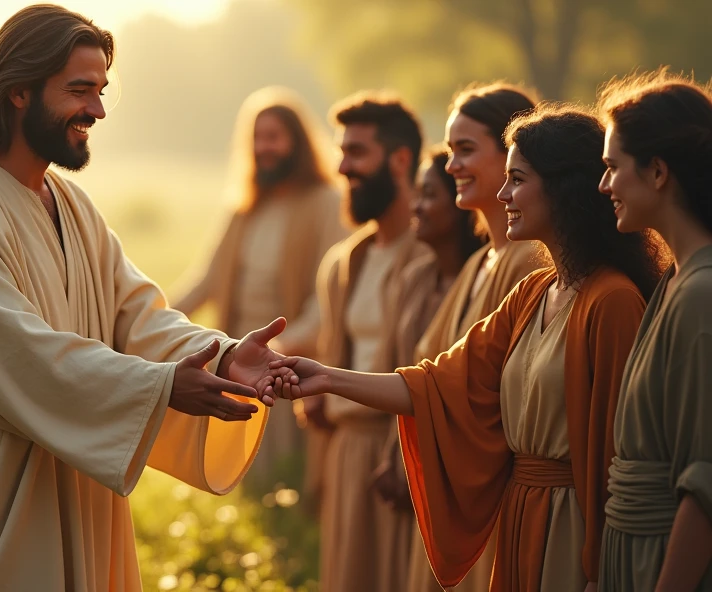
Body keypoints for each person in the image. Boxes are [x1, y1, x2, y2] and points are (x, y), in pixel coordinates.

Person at [0, 6, 285, 591]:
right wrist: (163, 386)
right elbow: (13, 352)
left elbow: (137, 315)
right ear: (18, 91)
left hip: (76, 485)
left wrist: (221, 356)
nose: (96, 110)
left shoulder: (70, 205)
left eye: (100, 91)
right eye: (79, 90)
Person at [264, 105, 668, 592]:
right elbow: (436, 384)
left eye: (517, 179)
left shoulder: (613, 301)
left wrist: (600, 567)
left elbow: (615, 455)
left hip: (573, 526)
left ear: (562, 187)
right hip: (520, 520)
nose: (503, 194)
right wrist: (326, 376)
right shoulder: (534, 292)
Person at [403, 82, 547, 592]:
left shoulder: (526, 261)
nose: (451, 166)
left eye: (465, 150)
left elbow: (493, 394)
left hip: (485, 497)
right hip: (455, 489)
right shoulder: (480, 262)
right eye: (450, 151)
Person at [171, 86, 344, 486]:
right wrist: (147, 321)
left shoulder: (325, 203)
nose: (263, 147)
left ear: (296, 142)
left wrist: (278, 350)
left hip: (289, 365)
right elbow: (206, 281)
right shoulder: (243, 208)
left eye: (274, 137)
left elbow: (328, 300)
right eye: (257, 137)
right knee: (244, 481)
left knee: (289, 481)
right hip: (241, 360)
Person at [306, 91, 430, 592]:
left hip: (402, 454)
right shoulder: (344, 260)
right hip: (348, 452)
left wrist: (406, 458)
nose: (342, 167)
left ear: (400, 159)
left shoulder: (433, 256)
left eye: (357, 152)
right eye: (343, 151)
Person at [596, 71, 712, 591]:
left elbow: (705, 481)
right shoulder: (673, 282)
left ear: (658, 171)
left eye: (612, 168)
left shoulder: (701, 295)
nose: (604, 186)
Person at [365, 148, 485, 591]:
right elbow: (398, 371)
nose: (414, 207)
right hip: (406, 463)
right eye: (414, 194)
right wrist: (391, 458)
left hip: (454, 479)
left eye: (428, 195)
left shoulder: (489, 278)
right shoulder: (414, 280)